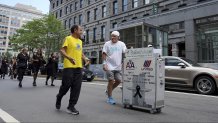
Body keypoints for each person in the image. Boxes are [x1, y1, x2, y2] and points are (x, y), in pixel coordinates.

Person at [55, 25, 89, 115]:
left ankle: (71, 106)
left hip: (78, 67)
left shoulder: (80, 41)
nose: (82, 32)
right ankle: (59, 97)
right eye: (80, 30)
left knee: (76, 87)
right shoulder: (68, 38)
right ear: (75, 30)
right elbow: (62, 50)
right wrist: (69, 58)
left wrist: (85, 58)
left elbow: (80, 52)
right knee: (66, 86)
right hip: (69, 66)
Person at [102, 31, 127, 105]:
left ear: (118, 37)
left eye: (114, 36)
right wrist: (104, 64)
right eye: (112, 36)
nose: (112, 37)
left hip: (118, 66)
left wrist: (124, 62)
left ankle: (108, 91)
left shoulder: (121, 44)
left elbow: (125, 53)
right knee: (111, 80)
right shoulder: (107, 44)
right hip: (109, 65)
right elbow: (104, 54)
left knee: (119, 80)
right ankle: (110, 98)